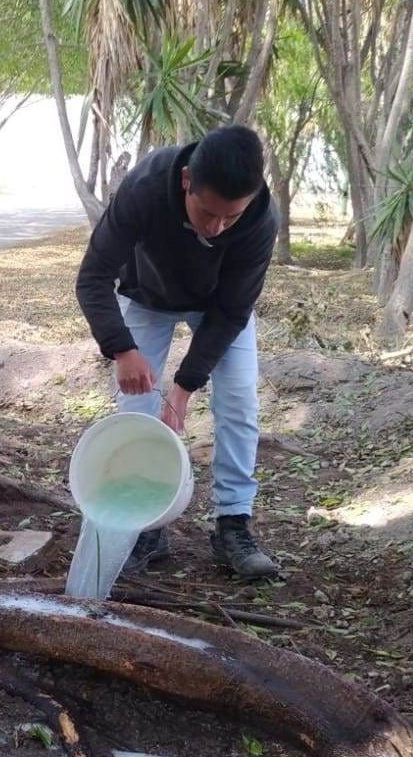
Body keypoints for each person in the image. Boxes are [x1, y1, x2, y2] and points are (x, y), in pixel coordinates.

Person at [75, 124, 281, 579]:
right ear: (187, 180)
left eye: (231, 218)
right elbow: (92, 278)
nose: (216, 228)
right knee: (136, 405)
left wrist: (186, 384)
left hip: (217, 308)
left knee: (240, 402)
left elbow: (231, 313)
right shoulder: (145, 188)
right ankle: (146, 524)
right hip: (147, 296)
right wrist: (122, 350)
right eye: (208, 213)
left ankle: (233, 523)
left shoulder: (261, 221)